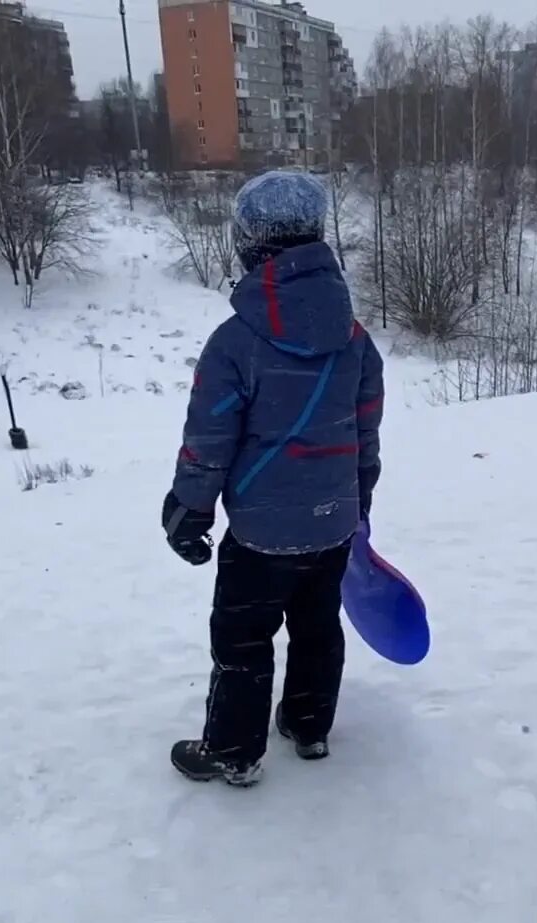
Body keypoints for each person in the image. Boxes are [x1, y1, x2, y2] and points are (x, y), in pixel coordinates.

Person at [162, 170, 384, 787]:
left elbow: (209, 440)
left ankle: (234, 750)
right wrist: (357, 499)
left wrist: (189, 510)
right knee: (318, 627)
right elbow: (365, 434)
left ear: (249, 246)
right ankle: (309, 728)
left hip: (260, 536)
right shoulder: (356, 339)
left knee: (243, 639)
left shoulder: (234, 344)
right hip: (332, 525)